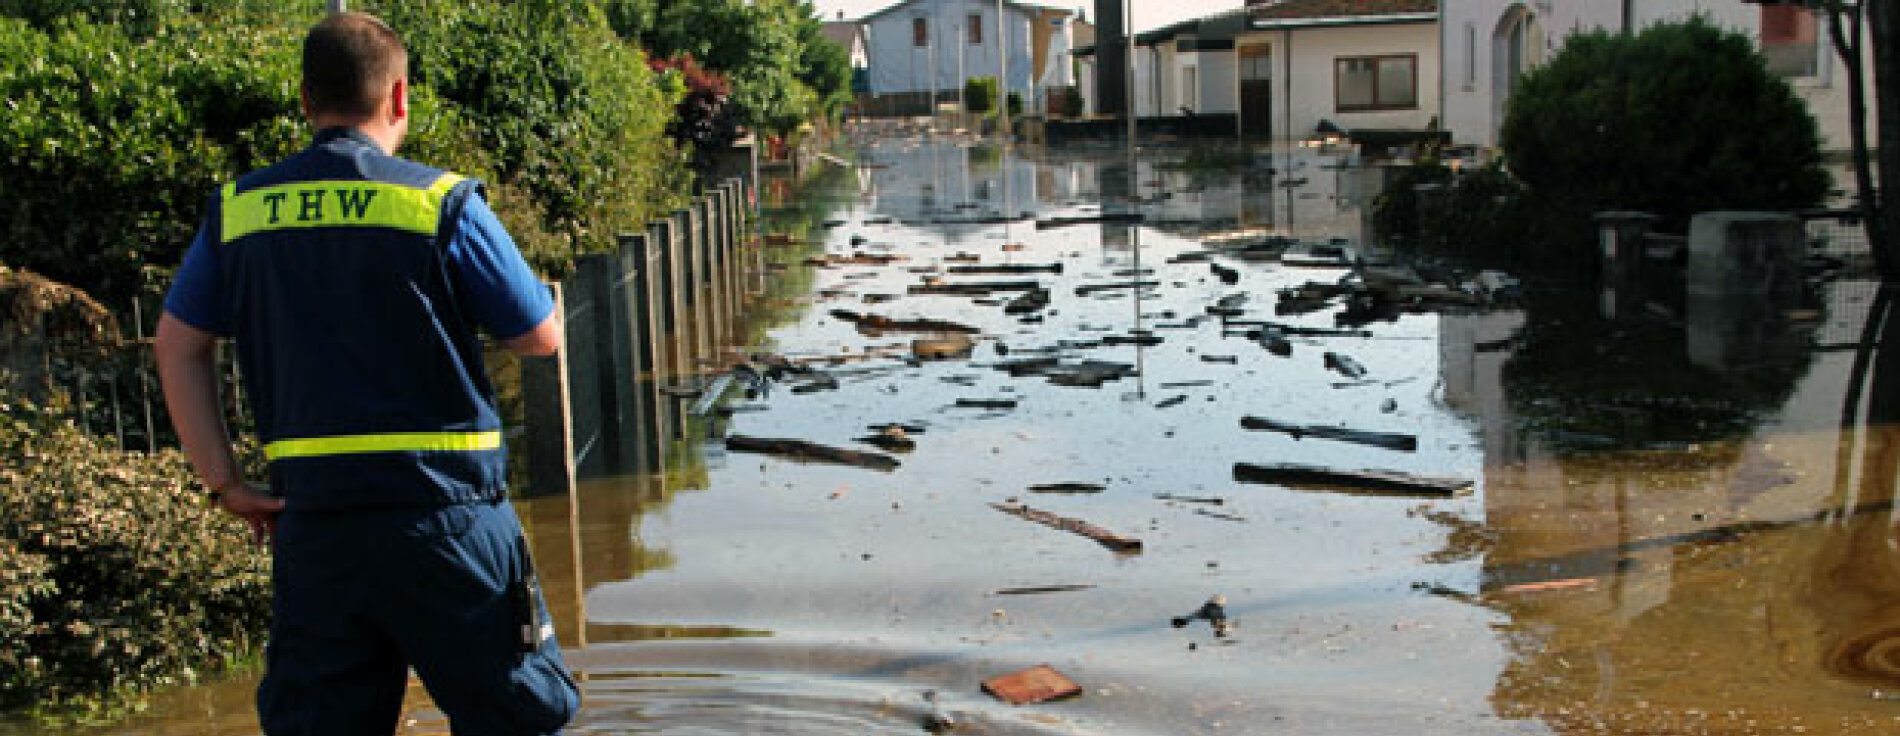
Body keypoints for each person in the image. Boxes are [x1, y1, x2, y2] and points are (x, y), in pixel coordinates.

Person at [154, 12, 579, 736]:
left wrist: (224, 483)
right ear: (400, 98)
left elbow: (177, 345)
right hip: (447, 521)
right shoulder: (439, 202)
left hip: (315, 530)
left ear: (304, 99)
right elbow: (538, 337)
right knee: (518, 718)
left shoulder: (240, 211)